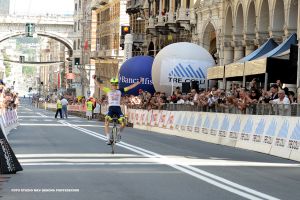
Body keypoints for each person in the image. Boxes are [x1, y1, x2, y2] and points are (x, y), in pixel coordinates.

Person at [94, 75, 143, 144]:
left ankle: (118, 133)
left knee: (124, 122)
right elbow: (100, 86)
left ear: (117, 85)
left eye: (115, 84)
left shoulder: (120, 90)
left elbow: (130, 87)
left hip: (118, 108)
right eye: (113, 84)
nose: (114, 85)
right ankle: (107, 138)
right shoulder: (108, 90)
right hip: (111, 109)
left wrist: (138, 82)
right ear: (111, 84)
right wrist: (94, 79)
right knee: (106, 121)